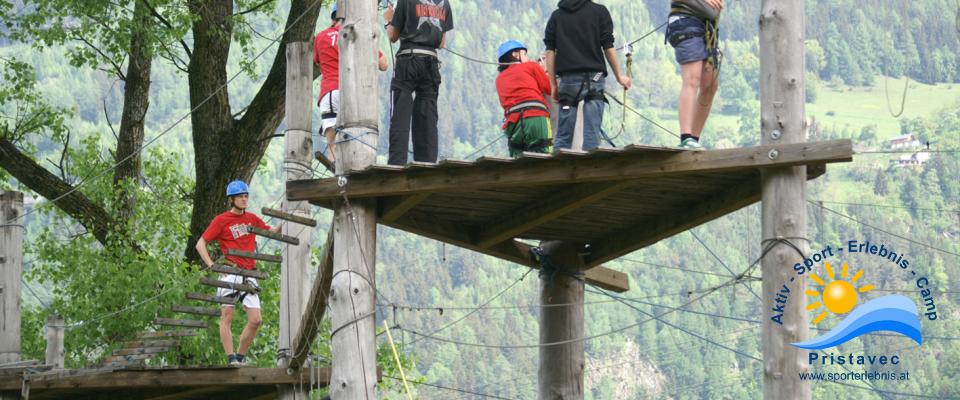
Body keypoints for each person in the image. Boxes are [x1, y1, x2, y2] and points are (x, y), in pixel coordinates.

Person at [195, 180, 278, 366]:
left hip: (249, 274)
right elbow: (200, 244)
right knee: (227, 316)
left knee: (256, 320)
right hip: (230, 272)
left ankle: (240, 357)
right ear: (231, 199)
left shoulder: (252, 219)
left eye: (246, 195)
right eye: (240, 196)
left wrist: (285, 219)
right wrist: (212, 266)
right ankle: (231, 358)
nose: (244, 198)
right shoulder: (221, 220)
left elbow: (272, 232)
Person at [543, 0, 631, 152]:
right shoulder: (599, 12)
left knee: (563, 136)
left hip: (567, 81)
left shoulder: (556, 17)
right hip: (594, 78)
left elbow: (550, 51)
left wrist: (553, 85)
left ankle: (558, 171)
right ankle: (592, 172)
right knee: (591, 135)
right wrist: (619, 76)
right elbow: (608, 47)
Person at [314, 4, 389, 163]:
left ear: (333, 17)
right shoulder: (359, 35)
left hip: (328, 93)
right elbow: (384, 65)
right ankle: (358, 165)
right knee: (356, 136)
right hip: (352, 93)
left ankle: (337, 169)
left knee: (333, 143)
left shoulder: (320, 37)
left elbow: (317, 62)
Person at [383, 0, 454, 165]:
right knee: (427, 115)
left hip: (408, 60)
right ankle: (427, 163)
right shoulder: (445, 3)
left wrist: (388, 20)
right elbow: (441, 43)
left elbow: (393, 36)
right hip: (431, 62)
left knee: (400, 112)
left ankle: (397, 163)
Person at [666, 0, 723, 149]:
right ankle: (686, 136)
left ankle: (694, 139)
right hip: (685, 20)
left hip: (707, 26)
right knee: (692, 78)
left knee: (710, 86)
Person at [494, 40, 553, 157]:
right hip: (535, 116)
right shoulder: (531, 66)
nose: (527, 57)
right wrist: (546, 71)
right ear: (515, 54)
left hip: (513, 122)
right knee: (542, 155)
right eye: (524, 54)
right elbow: (549, 88)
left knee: (517, 159)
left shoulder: (499, 79)